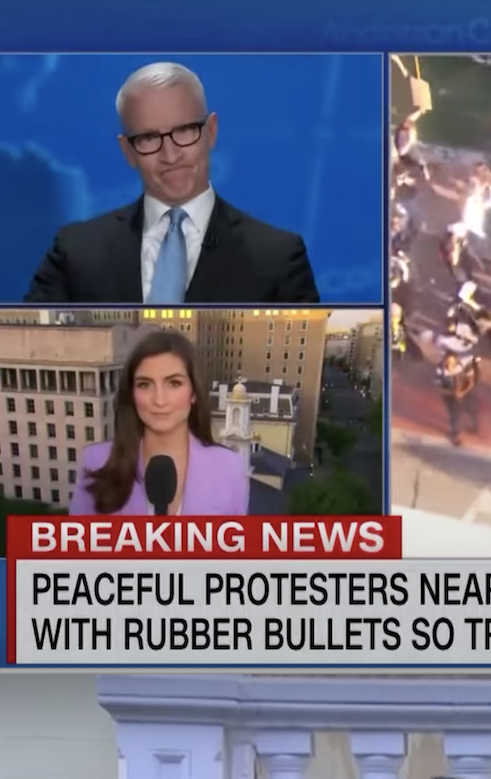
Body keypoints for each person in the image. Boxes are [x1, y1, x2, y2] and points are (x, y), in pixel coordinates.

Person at [25, 62, 319, 305]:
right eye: (149, 138)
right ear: (128, 151)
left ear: (211, 132)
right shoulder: (75, 250)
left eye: (185, 131)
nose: (171, 154)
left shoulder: (279, 256)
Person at [68, 330, 249, 515]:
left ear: (193, 392)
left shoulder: (229, 468)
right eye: (145, 385)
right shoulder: (97, 461)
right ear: (132, 394)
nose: (159, 400)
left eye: (174, 383)